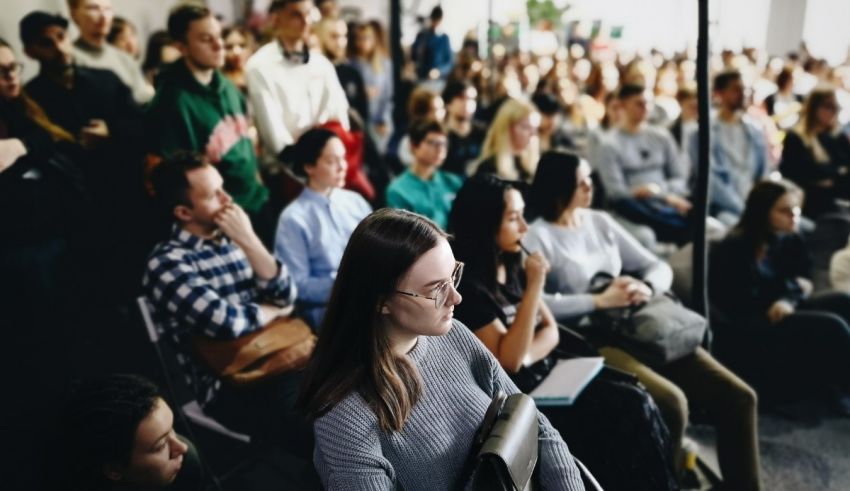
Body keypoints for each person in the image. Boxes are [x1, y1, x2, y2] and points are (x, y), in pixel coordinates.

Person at [523, 151, 762, 490]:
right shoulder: (538, 236)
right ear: (560, 188)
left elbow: (657, 266)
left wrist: (645, 286)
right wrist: (597, 300)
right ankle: (670, 478)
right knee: (671, 403)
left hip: (640, 324)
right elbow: (535, 304)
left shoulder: (599, 222)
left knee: (739, 397)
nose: (591, 186)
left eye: (590, 177)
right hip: (595, 336)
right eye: (581, 181)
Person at [298, 207, 585, 490]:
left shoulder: (454, 335)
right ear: (381, 301)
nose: (456, 297)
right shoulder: (345, 414)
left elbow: (533, 423)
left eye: (453, 275)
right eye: (436, 289)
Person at [448, 173, 679, 491]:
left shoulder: (510, 263)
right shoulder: (471, 288)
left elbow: (551, 331)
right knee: (629, 409)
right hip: (525, 396)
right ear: (486, 222)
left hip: (552, 372)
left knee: (638, 397)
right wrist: (534, 289)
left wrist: (525, 347)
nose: (524, 228)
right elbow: (510, 363)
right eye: (514, 218)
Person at [142, 152, 305, 450]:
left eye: (223, 187)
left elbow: (287, 295)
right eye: (213, 195)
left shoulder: (233, 238)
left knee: (362, 384)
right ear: (183, 213)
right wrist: (271, 311)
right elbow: (225, 322)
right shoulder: (167, 262)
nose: (227, 198)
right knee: (322, 417)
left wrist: (250, 240)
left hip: (284, 355)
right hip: (229, 384)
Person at [709, 179, 850, 410]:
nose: (793, 216)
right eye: (784, 211)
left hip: (780, 306)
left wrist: (788, 296)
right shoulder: (735, 246)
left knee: (843, 301)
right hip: (749, 321)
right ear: (762, 212)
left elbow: (804, 278)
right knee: (833, 326)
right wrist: (790, 290)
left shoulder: (789, 238)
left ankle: (838, 381)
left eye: (795, 209)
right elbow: (739, 301)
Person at [146, 4, 273, 245]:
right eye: (206, 39)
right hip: (222, 219)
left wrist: (258, 182)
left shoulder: (226, 85)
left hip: (257, 201)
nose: (219, 45)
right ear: (181, 47)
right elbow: (177, 179)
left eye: (218, 35)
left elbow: (245, 144)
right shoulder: (172, 102)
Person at [274, 128, 371, 328]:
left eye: (343, 158)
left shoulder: (356, 201)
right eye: (331, 161)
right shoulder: (293, 218)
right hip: (329, 311)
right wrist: (348, 283)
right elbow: (297, 285)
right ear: (309, 166)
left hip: (370, 296)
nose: (342, 167)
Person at [246, 0, 350, 166]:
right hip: (284, 168)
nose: (305, 21)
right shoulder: (259, 66)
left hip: (327, 162)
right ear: (276, 19)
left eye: (308, 14)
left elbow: (339, 116)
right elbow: (275, 137)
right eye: (296, 15)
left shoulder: (322, 64)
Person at [56, 374, 202, 491]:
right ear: (114, 469)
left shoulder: (186, 465)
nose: (182, 447)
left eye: (171, 429)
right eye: (161, 445)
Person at [596, 84, 692, 244]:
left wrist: (660, 193)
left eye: (648, 103)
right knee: (644, 233)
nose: (645, 108)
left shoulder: (662, 136)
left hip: (667, 202)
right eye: (639, 104)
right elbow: (615, 192)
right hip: (633, 207)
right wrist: (644, 193)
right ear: (623, 105)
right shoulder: (609, 144)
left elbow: (679, 177)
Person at [688, 70, 768, 227]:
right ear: (720, 93)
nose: (742, 94)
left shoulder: (755, 130)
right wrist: (742, 208)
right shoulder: (703, 132)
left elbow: (763, 172)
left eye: (744, 89)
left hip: (752, 200)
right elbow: (711, 181)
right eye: (736, 89)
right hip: (721, 206)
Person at [779, 86, 850, 219]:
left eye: (835, 108)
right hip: (807, 202)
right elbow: (799, 173)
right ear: (814, 107)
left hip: (838, 200)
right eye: (828, 107)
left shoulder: (837, 137)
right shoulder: (796, 137)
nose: (832, 112)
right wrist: (837, 172)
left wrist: (830, 173)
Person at [68, 0, 153, 104]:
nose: (103, 15)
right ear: (74, 14)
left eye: (107, 9)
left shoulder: (124, 59)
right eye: (93, 8)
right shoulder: (69, 58)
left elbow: (143, 99)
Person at [386, 119, 462, 229]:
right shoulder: (398, 190)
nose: (440, 149)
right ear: (413, 147)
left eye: (443, 144)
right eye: (432, 143)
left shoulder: (453, 182)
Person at [313, 17, 369, 125]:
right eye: (334, 36)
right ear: (321, 37)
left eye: (344, 36)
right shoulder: (313, 72)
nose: (341, 42)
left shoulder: (353, 74)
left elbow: (363, 115)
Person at [472, 97, 540, 183]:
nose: (533, 134)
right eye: (526, 127)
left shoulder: (531, 169)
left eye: (535, 129)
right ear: (507, 128)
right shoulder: (489, 168)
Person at [349, 20, 393, 147]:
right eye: (359, 39)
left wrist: (383, 119)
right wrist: (362, 93)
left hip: (379, 117)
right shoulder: (351, 64)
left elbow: (388, 95)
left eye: (366, 38)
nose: (362, 43)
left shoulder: (384, 64)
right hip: (359, 119)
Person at [441, 79, 486, 176]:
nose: (467, 103)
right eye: (461, 98)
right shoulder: (439, 133)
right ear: (448, 103)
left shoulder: (483, 132)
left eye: (472, 99)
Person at [410, 6, 453, 81]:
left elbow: (449, 63)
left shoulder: (444, 38)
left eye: (437, 21)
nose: (435, 24)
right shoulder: (421, 36)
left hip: (437, 79)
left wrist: (439, 71)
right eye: (433, 20)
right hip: (421, 76)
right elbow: (413, 57)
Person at [221, 25, 255, 96]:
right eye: (229, 47)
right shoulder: (219, 80)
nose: (236, 52)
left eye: (242, 46)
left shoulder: (258, 73)